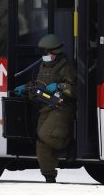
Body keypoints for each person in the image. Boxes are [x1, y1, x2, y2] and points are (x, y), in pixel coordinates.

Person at [15, 34, 76, 183]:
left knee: (45, 134)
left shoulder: (66, 67)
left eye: (46, 53)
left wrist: (60, 86)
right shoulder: (43, 66)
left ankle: (68, 144)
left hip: (60, 108)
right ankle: (49, 176)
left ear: (54, 53)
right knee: (41, 141)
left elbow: (75, 90)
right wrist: (26, 88)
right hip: (45, 108)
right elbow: (40, 85)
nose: (44, 56)